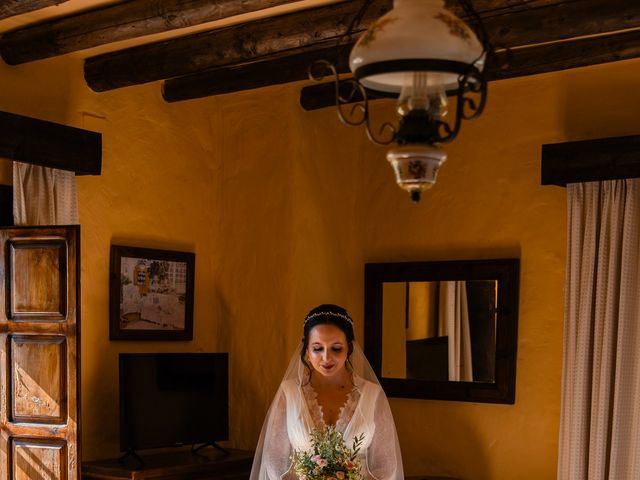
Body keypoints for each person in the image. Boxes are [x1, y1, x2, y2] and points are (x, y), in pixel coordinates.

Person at [250, 304, 404, 480]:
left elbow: (386, 465)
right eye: (317, 348)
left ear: (349, 348)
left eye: (336, 348)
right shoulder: (289, 393)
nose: (326, 357)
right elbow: (274, 459)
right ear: (307, 350)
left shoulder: (373, 395)